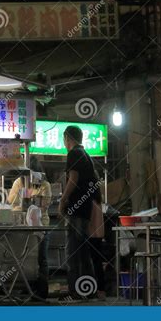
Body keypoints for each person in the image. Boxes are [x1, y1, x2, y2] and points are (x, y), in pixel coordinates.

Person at [59, 125, 97, 297]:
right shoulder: (87, 155)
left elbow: (73, 179)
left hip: (75, 210)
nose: (64, 143)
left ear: (68, 138)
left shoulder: (74, 153)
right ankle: (88, 291)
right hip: (85, 209)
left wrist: (63, 199)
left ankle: (74, 292)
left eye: (64, 139)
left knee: (73, 252)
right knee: (83, 252)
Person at [7, 158, 52, 297]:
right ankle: (26, 289)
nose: (29, 178)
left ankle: (42, 291)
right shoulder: (18, 183)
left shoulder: (44, 185)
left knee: (41, 259)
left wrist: (28, 200)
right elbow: (11, 202)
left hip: (41, 226)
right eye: (26, 175)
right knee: (25, 259)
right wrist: (24, 195)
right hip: (22, 228)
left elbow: (44, 205)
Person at [87, 185, 106, 300]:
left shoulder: (89, 202)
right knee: (98, 263)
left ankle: (94, 290)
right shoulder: (98, 200)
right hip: (99, 235)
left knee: (92, 264)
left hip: (91, 235)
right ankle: (101, 290)